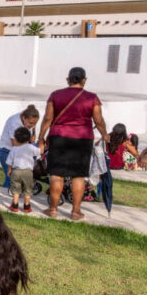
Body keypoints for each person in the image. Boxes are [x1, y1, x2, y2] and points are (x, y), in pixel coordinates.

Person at [36, 67, 109, 220]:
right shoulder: (92, 98)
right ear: (84, 80)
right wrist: (104, 134)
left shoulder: (55, 95)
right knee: (79, 176)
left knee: (57, 174)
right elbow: (98, 120)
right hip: (83, 139)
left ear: (68, 79)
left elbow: (48, 118)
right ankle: (76, 211)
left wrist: (41, 137)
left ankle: (53, 209)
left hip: (59, 137)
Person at [0, 105, 40, 188]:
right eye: (31, 123)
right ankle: (6, 195)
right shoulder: (14, 122)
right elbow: (15, 144)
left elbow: (31, 138)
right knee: (11, 177)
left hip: (18, 150)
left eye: (35, 123)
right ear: (24, 118)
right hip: (6, 150)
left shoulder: (28, 121)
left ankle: (14, 195)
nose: (32, 125)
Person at [6, 127, 40, 213]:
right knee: (27, 190)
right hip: (28, 172)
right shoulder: (31, 147)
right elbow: (39, 152)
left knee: (16, 189)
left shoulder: (14, 149)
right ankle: (26, 206)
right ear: (29, 138)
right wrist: (41, 143)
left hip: (16, 171)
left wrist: (9, 170)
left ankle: (14, 205)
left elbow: (10, 161)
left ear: (16, 138)